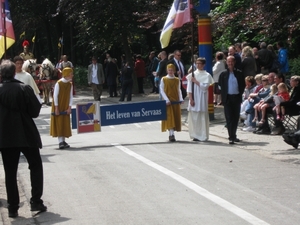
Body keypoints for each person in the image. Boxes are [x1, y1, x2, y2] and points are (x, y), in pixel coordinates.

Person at [0, 60, 47, 218]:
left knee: (10, 172)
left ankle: (13, 207)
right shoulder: (24, 88)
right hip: (26, 133)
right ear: (14, 73)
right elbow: (34, 111)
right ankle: (35, 201)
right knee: (35, 165)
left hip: (5, 137)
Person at [218, 55, 246, 144]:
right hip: (227, 98)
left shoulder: (239, 73)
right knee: (229, 118)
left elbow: (242, 85)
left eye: (232, 62)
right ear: (226, 62)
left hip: (236, 98)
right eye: (228, 62)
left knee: (235, 118)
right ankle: (231, 137)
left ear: (234, 63)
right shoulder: (223, 74)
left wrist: (240, 94)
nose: (230, 63)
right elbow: (219, 86)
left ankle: (234, 135)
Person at [186, 58, 214, 141]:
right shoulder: (192, 74)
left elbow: (205, 87)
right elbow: (189, 88)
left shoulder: (207, 75)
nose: (198, 65)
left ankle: (203, 135)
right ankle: (195, 135)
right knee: (194, 116)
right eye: (197, 63)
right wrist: (191, 99)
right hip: (194, 97)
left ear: (203, 65)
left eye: (200, 63)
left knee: (202, 116)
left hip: (202, 97)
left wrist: (196, 81)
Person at [50, 67, 73, 149]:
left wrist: (69, 107)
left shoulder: (70, 84)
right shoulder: (58, 83)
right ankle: (60, 142)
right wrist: (56, 108)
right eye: (70, 74)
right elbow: (55, 96)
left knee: (64, 122)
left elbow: (71, 96)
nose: (72, 75)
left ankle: (63, 140)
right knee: (59, 122)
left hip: (65, 105)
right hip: (58, 105)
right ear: (66, 74)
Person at [160, 64, 183, 142]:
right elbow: (162, 90)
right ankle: (171, 135)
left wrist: (181, 99)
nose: (170, 71)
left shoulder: (177, 80)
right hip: (168, 102)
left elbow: (179, 90)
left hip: (175, 101)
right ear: (167, 71)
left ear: (174, 71)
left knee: (175, 117)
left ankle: (172, 133)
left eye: (172, 70)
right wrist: (166, 100)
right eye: (169, 70)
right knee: (170, 118)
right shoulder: (164, 79)